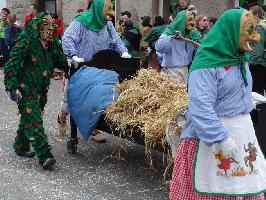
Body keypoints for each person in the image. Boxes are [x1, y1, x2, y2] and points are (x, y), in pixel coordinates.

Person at [170, 8, 266, 199]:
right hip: (212, 139)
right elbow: (200, 106)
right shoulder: (206, 65)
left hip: (241, 135)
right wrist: (220, 137)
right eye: (247, 31)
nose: (252, 36)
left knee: (242, 184)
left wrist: (248, 101)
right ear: (230, 31)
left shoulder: (240, 59)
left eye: (252, 30)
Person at [4, 12, 68, 170]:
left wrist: (69, 64)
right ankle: (44, 155)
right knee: (34, 120)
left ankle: (20, 146)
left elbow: (58, 58)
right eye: (46, 27)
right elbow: (13, 62)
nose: (49, 31)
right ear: (39, 27)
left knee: (29, 116)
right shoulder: (28, 39)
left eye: (51, 27)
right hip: (26, 88)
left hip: (42, 88)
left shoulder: (50, 42)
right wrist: (12, 87)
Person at [60, 0, 130, 141]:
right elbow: (67, 38)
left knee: (95, 98)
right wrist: (73, 55)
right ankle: (62, 116)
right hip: (81, 67)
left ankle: (93, 126)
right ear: (98, 9)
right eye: (108, 9)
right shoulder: (80, 22)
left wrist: (123, 52)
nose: (111, 12)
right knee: (71, 99)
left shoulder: (108, 24)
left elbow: (116, 41)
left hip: (101, 68)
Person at [155, 7, 200, 85]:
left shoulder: (191, 35)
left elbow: (200, 51)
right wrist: (171, 37)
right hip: (171, 72)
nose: (192, 23)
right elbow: (159, 48)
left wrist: (197, 40)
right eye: (189, 20)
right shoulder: (168, 33)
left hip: (185, 71)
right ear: (181, 21)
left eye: (193, 20)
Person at [249, 6, 266, 95]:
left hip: (258, 64)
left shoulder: (259, 28)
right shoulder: (256, 27)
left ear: (256, 15)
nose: (247, 16)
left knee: (257, 92)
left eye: (250, 14)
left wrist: (251, 62)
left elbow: (258, 48)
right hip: (258, 63)